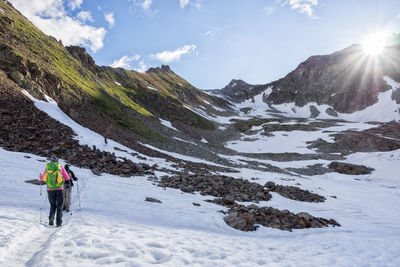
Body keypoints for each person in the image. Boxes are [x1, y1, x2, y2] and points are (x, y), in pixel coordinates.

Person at [40, 155, 70, 227]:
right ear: (57, 161)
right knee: (59, 206)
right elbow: (67, 178)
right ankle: (58, 222)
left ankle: (51, 219)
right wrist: (68, 176)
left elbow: (43, 178)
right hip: (59, 189)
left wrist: (40, 177)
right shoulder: (60, 166)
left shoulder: (47, 167)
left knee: (52, 205)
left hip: (50, 189)